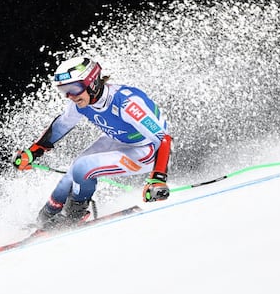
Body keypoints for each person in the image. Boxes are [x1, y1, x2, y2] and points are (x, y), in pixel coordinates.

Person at [12, 56, 172, 229]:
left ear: (92, 82)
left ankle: (73, 217)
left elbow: (163, 138)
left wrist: (158, 179)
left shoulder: (126, 102)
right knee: (70, 175)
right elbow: (62, 125)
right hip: (118, 140)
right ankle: (44, 220)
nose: (70, 95)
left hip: (147, 150)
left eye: (74, 88)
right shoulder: (80, 101)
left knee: (83, 167)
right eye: (64, 90)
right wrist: (33, 151)